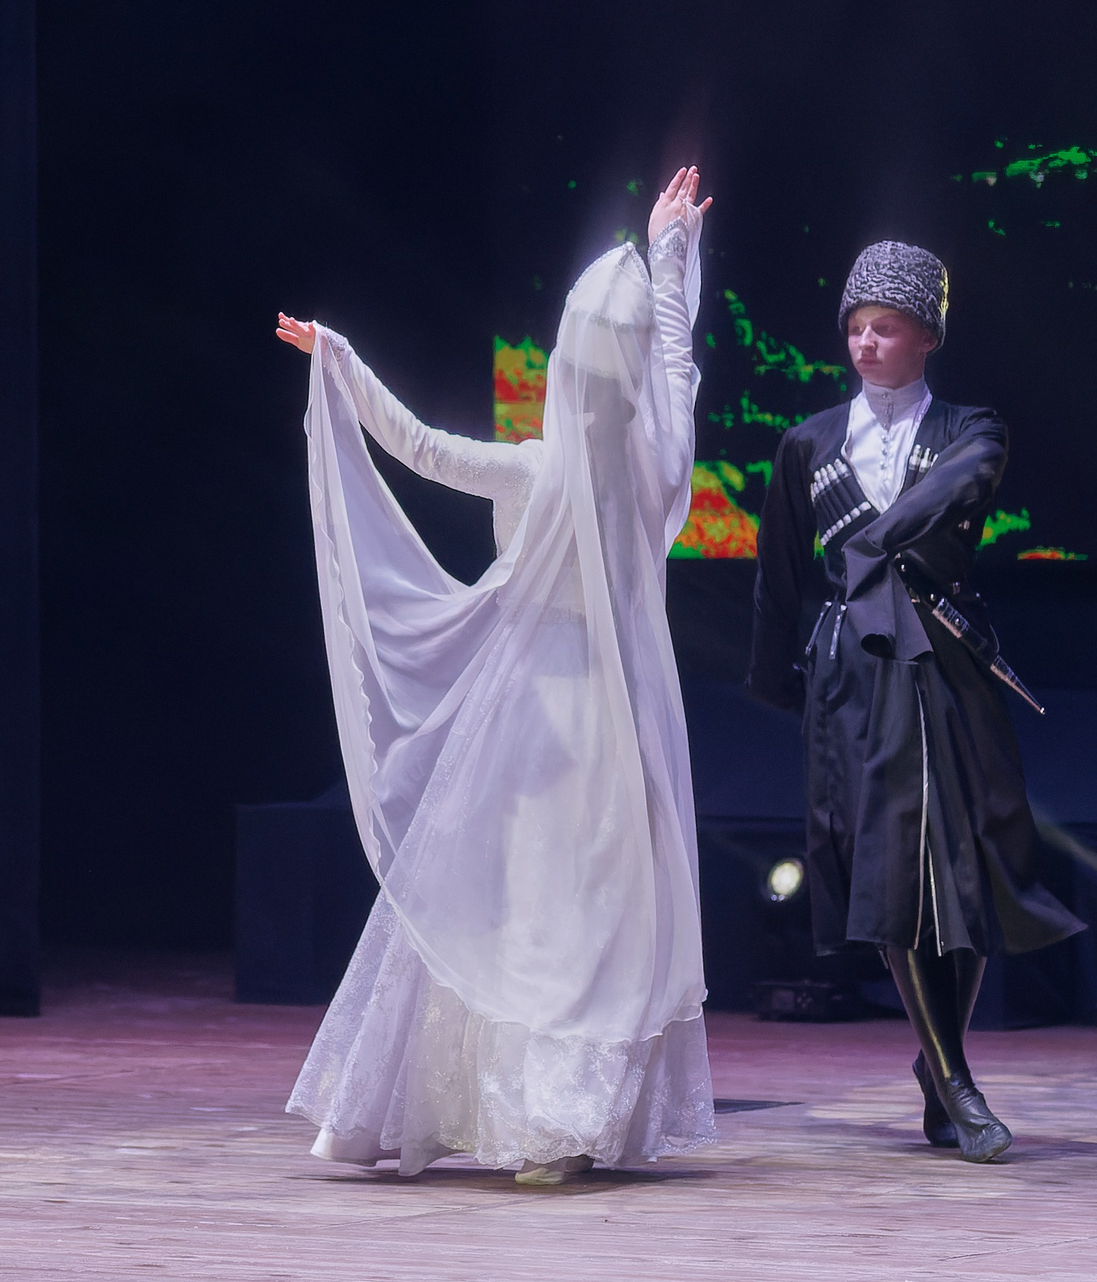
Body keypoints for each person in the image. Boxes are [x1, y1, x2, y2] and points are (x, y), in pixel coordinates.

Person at [275, 168, 715, 1185]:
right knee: (588, 909)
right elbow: (676, 363)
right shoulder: (657, 464)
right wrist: (671, 256)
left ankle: (538, 1118)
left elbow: (420, 448)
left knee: (518, 905)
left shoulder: (541, 468)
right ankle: (556, 1122)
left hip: (541, 722)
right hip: (605, 723)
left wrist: (341, 363)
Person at [748, 241, 1084, 1163]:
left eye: (885, 327)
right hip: (858, 676)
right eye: (854, 327)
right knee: (892, 873)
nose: (864, 343)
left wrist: (865, 547)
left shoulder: (974, 430)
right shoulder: (807, 444)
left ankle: (939, 1069)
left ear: (926, 336)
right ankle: (959, 1086)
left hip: (949, 664)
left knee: (970, 869)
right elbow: (779, 573)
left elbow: (950, 496)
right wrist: (777, 681)